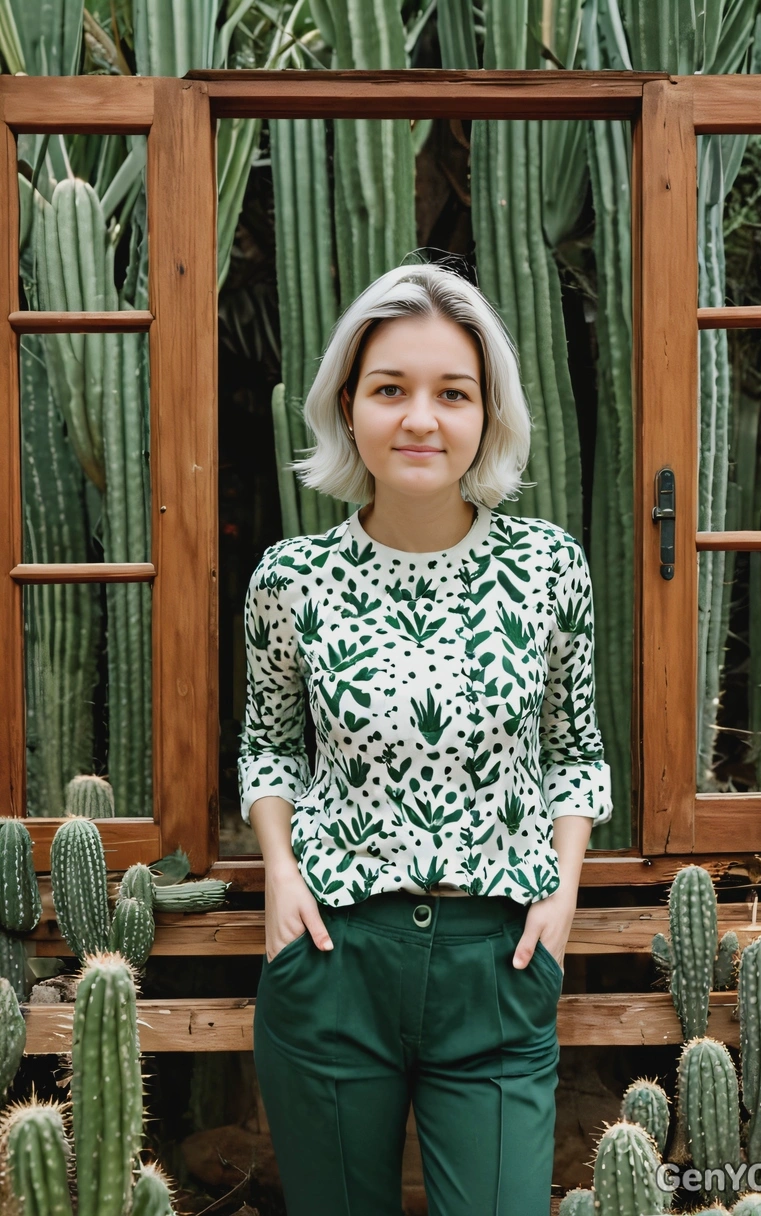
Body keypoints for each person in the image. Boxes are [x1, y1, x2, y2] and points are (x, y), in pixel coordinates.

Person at [238, 262, 613, 1216]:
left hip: (497, 960)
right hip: (332, 958)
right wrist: (280, 869)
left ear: (488, 413)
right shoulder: (291, 579)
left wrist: (562, 892)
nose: (420, 419)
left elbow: (576, 750)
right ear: (348, 407)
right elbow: (270, 747)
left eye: (452, 393)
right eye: (389, 389)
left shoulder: (547, 567)